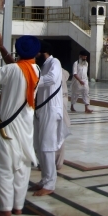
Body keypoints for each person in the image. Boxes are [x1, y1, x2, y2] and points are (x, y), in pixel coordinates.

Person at [0, 33, 40, 216]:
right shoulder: (36, 69)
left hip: (8, 128)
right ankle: (18, 206)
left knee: (5, 167)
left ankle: (5, 207)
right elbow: (16, 66)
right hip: (26, 127)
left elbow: (3, 72)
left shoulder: (11, 70)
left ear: (18, 52)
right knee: (22, 166)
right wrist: (1, 47)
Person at [30, 42, 69, 196]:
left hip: (51, 110)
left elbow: (52, 79)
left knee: (47, 146)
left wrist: (32, 79)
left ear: (42, 52)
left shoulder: (55, 62)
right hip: (42, 110)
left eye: (37, 53)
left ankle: (50, 183)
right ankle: (44, 179)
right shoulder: (44, 65)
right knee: (40, 146)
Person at [55, 68, 70, 169]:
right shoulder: (63, 71)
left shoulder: (51, 71)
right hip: (62, 99)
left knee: (59, 131)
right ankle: (57, 161)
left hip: (59, 99)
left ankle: (58, 162)